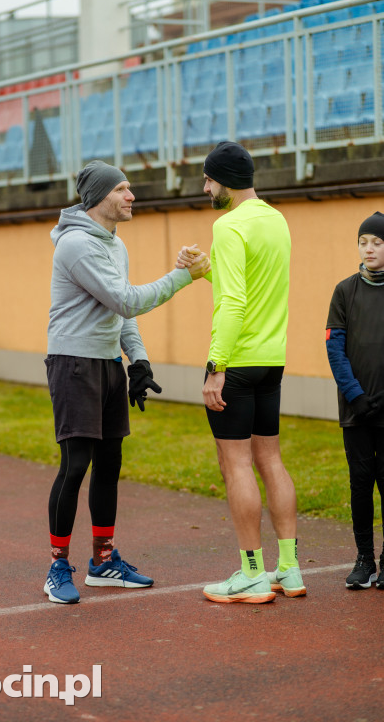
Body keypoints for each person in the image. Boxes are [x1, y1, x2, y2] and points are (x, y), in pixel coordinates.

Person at [44, 160, 210, 604]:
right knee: (75, 465)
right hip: (73, 362)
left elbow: (120, 313)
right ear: (100, 197)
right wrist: (182, 277)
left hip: (106, 364)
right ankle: (58, 566)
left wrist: (138, 360)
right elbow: (125, 299)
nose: (132, 196)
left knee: (110, 465)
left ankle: (102, 561)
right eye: (122, 189)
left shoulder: (116, 246)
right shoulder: (76, 245)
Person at [177, 141, 306, 604]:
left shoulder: (228, 224)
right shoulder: (276, 219)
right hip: (272, 360)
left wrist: (216, 367)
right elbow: (248, 286)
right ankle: (288, 570)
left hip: (238, 361)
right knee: (270, 459)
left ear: (225, 180)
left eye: (209, 179)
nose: (205, 187)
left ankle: (252, 572)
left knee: (236, 465)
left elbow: (234, 303)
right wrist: (205, 269)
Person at [326, 211, 384, 590]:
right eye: (364, 242)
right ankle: (364, 559)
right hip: (357, 411)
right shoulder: (345, 291)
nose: (369, 248)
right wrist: (355, 395)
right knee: (361, 485)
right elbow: (335, 348)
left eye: (377, 242)